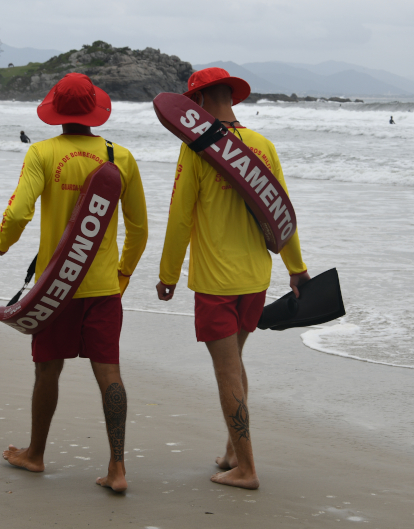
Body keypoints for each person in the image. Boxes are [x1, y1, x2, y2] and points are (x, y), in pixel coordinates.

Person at [0, 73, 148, 493]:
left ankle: (35, 454)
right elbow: (139, 229)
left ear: (55, 111)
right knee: (109, 372)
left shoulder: (42, 153)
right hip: (102, 290)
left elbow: (20, 211)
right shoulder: (120, 157)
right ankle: (117, 469)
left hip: (55, 289)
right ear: (95, 110)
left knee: (47, 371)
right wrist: (122, 275)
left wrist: (1, 242)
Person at [155, 68, 309, 490]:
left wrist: (168, 273)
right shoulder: (263, 146)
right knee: (236, 365)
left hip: (215, 282)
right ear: (231, 98)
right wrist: (297, 268)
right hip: (255, 280)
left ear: (198, 104)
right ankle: (231, 452)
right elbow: (283, 214)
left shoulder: (197, 150)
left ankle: (247, 468)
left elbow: (180, 216)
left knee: (226, 371)